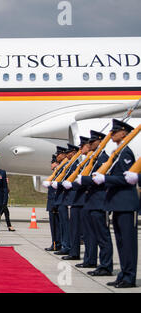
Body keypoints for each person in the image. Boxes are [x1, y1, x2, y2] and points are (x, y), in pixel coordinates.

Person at [93, 119, 138, 288]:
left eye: (115, 132)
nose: (111, 135)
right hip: (117, 203)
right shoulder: (118, 153)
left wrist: (106, 178)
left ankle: (129, 277)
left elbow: (127, 178)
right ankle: (123, 274)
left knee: (128, 243)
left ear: (124, 133)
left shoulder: (126, 153)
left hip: (126, 203)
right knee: (120, 242)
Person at [75, 130, 111, 272]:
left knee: (102, 237)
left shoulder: (103, 159)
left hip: (99, 201)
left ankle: (105, 265)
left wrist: (84, 180)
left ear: (100, 142)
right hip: (90, 200)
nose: (89, 145)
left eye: (92, 142)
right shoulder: (95, 158)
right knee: (90, 234)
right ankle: (90, 260)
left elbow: (100, 179)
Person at [62, 137, 90, 261]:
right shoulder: (81, 162)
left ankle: (89, 258)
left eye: (82, 146)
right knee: (74, 229)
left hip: (82, 199)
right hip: (76, 199)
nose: (80, 149)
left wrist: (72, 185)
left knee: (86, 232)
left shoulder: (87, 161)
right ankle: (74, 252)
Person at [53, 144, 80, 256]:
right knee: (64, 225)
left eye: (69, 152)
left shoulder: (75, 165)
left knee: (68, 226)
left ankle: (68, 246)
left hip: (69, 198)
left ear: (73, 153)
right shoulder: (68, 165)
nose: (67, 155)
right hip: (64, 198)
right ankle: (66, 245)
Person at [45, 154, 61, 251]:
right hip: (52, 203)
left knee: (56, 226)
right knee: (54, 226)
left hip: (54, 204)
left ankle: (56, 244)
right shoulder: (55, 174)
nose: (51, 165)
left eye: (52, 163)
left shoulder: (58, 174)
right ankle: (55, 243)